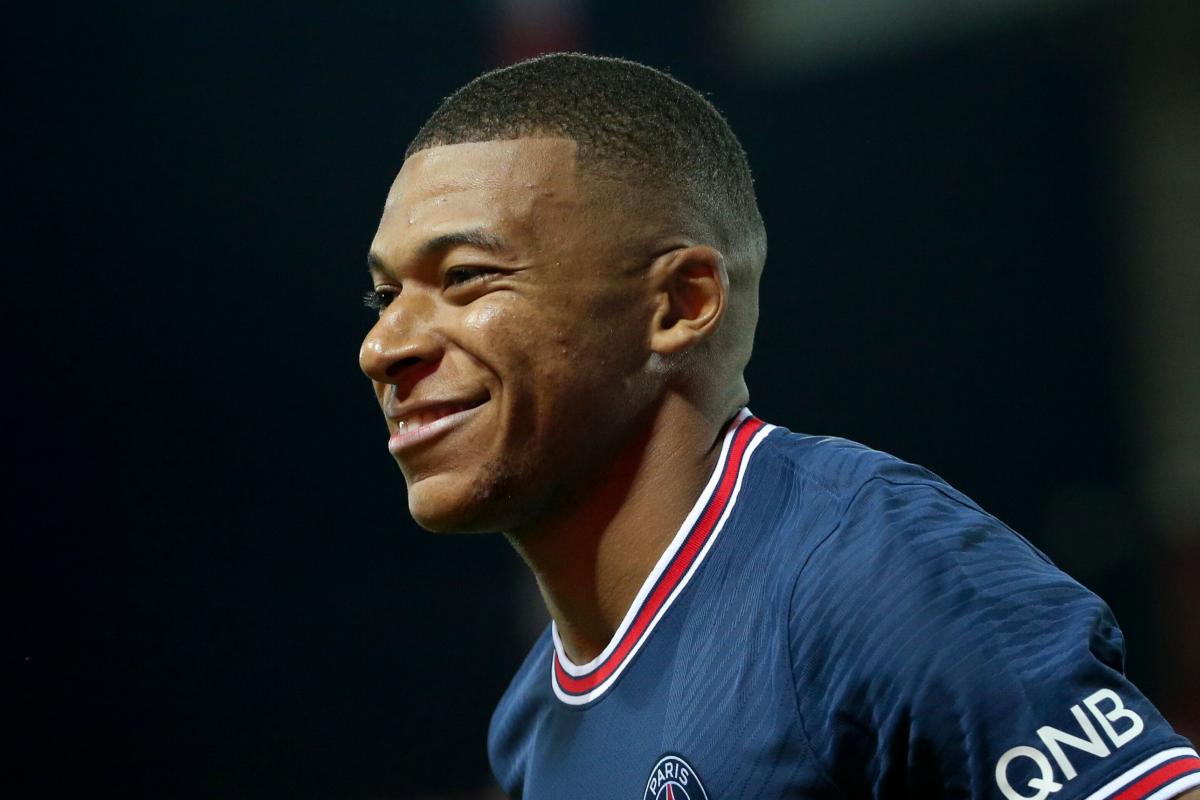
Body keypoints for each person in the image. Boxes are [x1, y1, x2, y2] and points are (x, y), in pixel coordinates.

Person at [358, 53, 1198, 800]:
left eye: (464, 276)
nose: (383, 347)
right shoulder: (532, 722)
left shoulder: (872, 575)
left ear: (680, 303)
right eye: (386, 295)